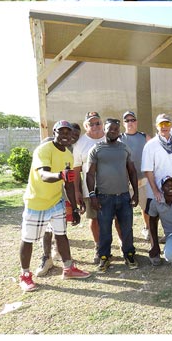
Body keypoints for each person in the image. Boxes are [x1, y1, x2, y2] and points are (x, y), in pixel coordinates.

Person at [18, 120, 91, 291]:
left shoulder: (68, 154)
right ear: (55, 132)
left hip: (56, 200)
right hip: (37, 202)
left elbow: (68, 184)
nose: (65, 135)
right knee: (28, 239)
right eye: (62, 132)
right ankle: (25, 275)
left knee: (61, 234)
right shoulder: (43, 150)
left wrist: (73, 208)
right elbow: (43, 174)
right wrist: (61, 174)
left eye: (68, 132)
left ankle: (68, 268)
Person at [86, 117, 139, 271]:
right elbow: (90, 174)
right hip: (104, 197)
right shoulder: (96, 149)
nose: (113, 131)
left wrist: (135, 193)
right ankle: (104, 257)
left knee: (127, 228)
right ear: (105, 130)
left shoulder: (124, 148)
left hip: (123, 196)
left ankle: (129, 254)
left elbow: (132, 171)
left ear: (119, 131)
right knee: (104, 229)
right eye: (110, 128)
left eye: (116, 129)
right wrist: (92, 195)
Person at [36, 122, 81, 277]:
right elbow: (41, 171)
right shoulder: (48, 144)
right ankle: (46, 257)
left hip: (60, 194)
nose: (72, 138)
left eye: (75, 136)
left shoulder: (70, 150)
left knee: (60, 227)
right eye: (70, 134)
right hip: (42, 195)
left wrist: (75, 204)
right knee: (46, 230)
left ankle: (59, 253)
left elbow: (71, 178)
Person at [72, 111, 106, 262]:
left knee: (117, 218)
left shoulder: (111, 138)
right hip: (90, 189)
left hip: (112, 188)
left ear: (102, 123)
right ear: (86, 126)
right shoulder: (80, 143)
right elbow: (76, 170)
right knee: (95, 219)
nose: (95, 126)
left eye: (97, 122)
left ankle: (124, 245)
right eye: (91, 123)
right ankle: (98, 247)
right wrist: (77, 191)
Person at [142, 114, 172, 206]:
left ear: (171, 125)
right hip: (158, 194)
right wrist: (156, 191)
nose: (164, 126)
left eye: (167, 123)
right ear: (156, 126)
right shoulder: (150, 145)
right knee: (154, 218)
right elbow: (148, 171)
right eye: (161, 124)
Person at [118, 110, 151, 241]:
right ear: (123, 123)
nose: (130, 123)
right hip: (125, 182)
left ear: (136, 122)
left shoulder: (144, 137)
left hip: (143, 180)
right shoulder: (119, 138)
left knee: (146, 207)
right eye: (127, 121)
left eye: (132, 120)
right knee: (125, 211)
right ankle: (126, 235)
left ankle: (147, 228)